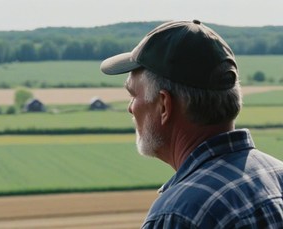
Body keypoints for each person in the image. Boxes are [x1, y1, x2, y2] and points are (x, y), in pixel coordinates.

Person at [100, 20, 283, 228]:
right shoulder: (278, 176)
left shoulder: (179, 215)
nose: (130, 108)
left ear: (164, 106)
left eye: (133, 95)